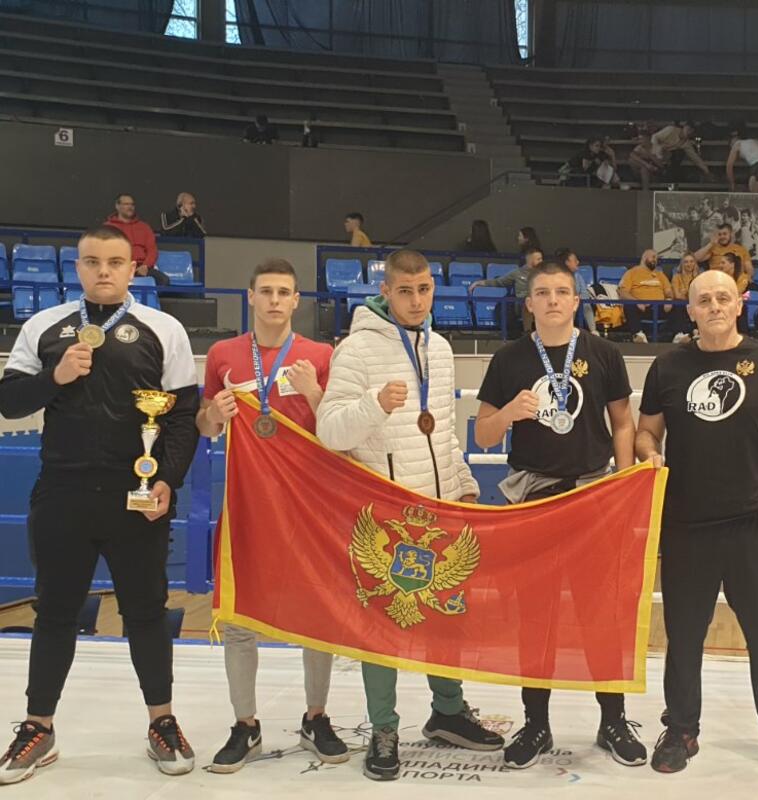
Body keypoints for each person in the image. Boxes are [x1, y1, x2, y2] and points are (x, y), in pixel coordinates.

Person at [0, 225, 200, 783]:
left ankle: (162, 721)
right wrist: (55, 375)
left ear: (133, 267)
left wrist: (167, 480)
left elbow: (182, 415)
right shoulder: (44, 326)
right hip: (62, 492)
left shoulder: (163, 328)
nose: (104, 271)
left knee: (146, 611)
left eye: (115, 261)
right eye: (92, 261)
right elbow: (9, 402)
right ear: (78, 267)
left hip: (135, 495)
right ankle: (39, 727)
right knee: (55, 611)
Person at [315, 249, 503, 781]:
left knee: (446, 614)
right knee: (382, 627)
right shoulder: (356, 348)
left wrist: (464, 483)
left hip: (438, 509)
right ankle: (383, 728)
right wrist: (374, 404)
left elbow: (442, 430)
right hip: (385, 514)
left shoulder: (439, 348)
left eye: (424, 290)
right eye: (405, 291)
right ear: (385, 291)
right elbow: (330, 431)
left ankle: (448, 713)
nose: (417, 301)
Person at [635, 269, 758, 782]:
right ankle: (680, 728)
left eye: (723, 297)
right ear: (690, 310)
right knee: (683, 636)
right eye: (704, 300)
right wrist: (649, 453)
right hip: (686, 525)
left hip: (755, 522)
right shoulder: (668, 366)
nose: (714, 306)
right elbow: (646, 432)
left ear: (739, 304)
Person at [473, 261, 644, 769]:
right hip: (535, 501)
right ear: (529, 303)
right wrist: (509, 413)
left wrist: (623, 483)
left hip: (593, 496)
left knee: (601, 613)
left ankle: (613, 720)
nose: (552, 300)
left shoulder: (604, 353)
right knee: (535, 615)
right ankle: (536, 724)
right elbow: (483, 433)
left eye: (562, 291)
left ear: (575, 300)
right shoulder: (508, 358)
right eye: (542, 292)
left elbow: (623, 422)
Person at [197, 258, 347, 773]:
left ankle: (316, 716)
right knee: (240, 617)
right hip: (248, 503)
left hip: (309, 505)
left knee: (318, 614)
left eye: (284, 292)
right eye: (267, 291)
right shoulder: (223, 354)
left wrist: (313, 392)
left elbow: (337, 430)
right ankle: (246, 725)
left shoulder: (320, 355)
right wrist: (214, 414)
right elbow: (205, 426)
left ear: (296, 300)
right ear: (251, 296)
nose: (275, 300)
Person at [470, 248, 543, 333]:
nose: (541, 261)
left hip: (539, 300)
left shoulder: (543, 274)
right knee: (527, 303)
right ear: (530, 260)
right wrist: (479, 283)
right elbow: (499, 282)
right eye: (538, 259)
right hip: (522, 303)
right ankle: (528, 332)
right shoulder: (517, 273)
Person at [107, 194, 169, 286]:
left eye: (132, 204)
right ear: (117, 206)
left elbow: (152, 250)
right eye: (126, 204)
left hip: (141, 268)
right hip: (118, 267)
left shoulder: (144, 227)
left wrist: (146, 266)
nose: (130, 207)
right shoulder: (108, 228)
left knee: (163, 281)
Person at [617, 249, 673, 343]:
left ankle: (680, 334)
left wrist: (669, 299)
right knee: (629, 305)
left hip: (660, 308)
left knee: (679, 304)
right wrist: (637, 302)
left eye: (656, 258)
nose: (655, 260)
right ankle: (638, 334)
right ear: (644, 257)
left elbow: (669, 291)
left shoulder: (660, 275)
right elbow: (622, 292)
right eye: (653, 257)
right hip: (641, 308)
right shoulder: (631, 273)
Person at [554, 247, 597, 334]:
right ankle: (563, 331)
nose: (578, 262)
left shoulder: (578, 277)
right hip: (562, 304)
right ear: (567, 262)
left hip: (576, 302)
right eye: (575, 260)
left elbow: (584, 294)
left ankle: (593, 331)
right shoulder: (556, 277)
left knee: (586, 304)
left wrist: (578, 299)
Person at [726, 124, 758, 193]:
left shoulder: (736, 144)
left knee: (754, 191)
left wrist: (732, 184)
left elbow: (729, 166)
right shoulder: (754, 141)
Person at [668, 252, 700, 342]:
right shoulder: (676, 277)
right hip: (681, 304)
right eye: (686, 262)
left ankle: (696, 332)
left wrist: (685, 293)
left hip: (694, 303)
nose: (689, 264)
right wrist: (689, 294)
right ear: (682, 264)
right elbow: (677, 295)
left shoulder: (699, 278)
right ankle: (679, 334)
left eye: (691, 261)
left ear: (695, 263)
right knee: (679, 305)